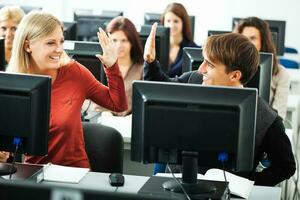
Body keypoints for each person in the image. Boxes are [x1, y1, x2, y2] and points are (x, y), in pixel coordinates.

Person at [144, 23, 295, 186]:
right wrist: (151, 62)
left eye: (209, 64)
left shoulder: (264, 117)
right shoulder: (192, 81)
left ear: (234, 75)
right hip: (176, 187)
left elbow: (285, 167)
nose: (201, 69)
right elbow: (160, 91)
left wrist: (247, 183)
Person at [7, 11, 127, 168]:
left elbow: (118, 105)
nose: (59, 49)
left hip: (74, 174)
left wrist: (112, 67)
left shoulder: (74, 73)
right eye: (51, 43)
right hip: (31, 174)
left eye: (61, 42)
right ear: (28, 46)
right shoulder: (14, 84)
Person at [234, 16, 290, 120]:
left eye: (253, 38)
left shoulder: (281, 73)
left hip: (264, 127)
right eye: (244, 38)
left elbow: (279, 115)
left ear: (263, 42)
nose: (247, 43)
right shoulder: (230, 69)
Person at [91, 16, 143, 116]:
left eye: (124, 40)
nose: (119, 45)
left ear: (132, 42)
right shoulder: (99, 64)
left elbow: (128, 108)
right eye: (114, 40)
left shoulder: (141, 70)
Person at [160, 2, 198, 77]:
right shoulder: (156, 46)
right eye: (168, 21)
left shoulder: (193, 49)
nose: (171, 25)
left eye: (176, 21)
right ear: (163, 22)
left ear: (183, 23)